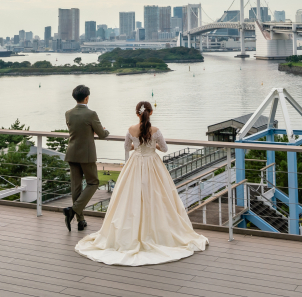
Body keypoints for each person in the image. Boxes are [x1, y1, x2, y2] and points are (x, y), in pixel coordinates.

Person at [74, 101, 208, 266]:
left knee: (131, 197)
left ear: (137, 113)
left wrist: (136, 144)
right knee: (157, 197)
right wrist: (154, 145)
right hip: (153, 164)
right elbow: (165, 149)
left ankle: (132, 232)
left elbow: (126, 148)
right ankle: (155, 231)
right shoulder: (156, 130)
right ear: (150, 113)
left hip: (135, 164)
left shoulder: (130, 129)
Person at [63, 84, 110, 232]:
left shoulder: (68, 113)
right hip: (87, 155)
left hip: (72, 152)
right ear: (87, 97)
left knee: (76, 188)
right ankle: (73, 209)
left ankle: (80, 221)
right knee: (93, 182)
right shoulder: (91, 114)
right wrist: (105, 131)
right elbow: (101, 134)